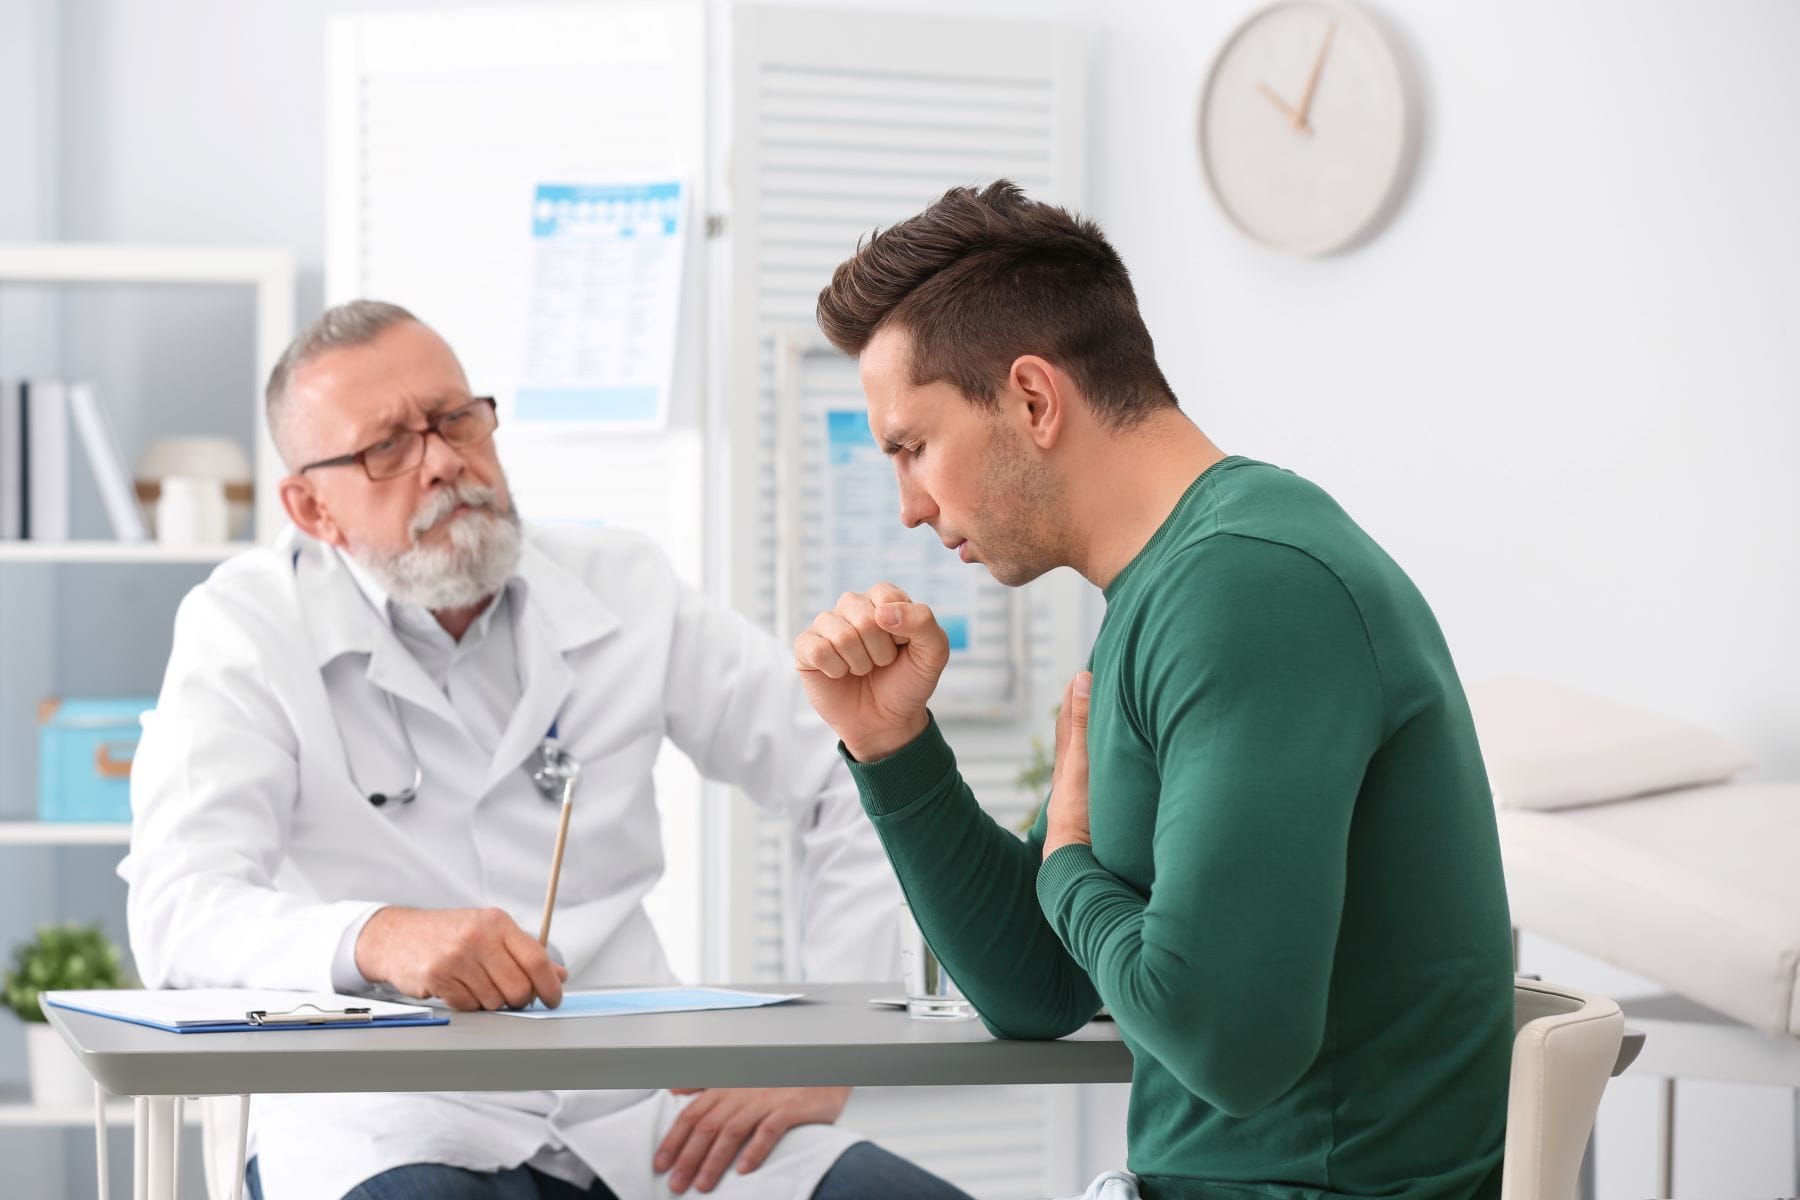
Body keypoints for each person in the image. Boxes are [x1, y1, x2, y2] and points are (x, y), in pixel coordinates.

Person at [122, 300, 972, 1200]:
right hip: (392, 1118)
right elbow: (179, 908)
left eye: (456, 419)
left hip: (644, 1112)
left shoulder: (623, 584)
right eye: (387, 448)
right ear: (310, 507)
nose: (444, 461)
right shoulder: (247, 629)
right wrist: (373, 937)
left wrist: (825, 1046)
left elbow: (847, 770)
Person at [792, 181, 1514, 1200]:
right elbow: (1037, 986)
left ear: (1034, 400)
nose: (910, 506)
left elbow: (1230, 1047)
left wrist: (1070, 868)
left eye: (911, 447)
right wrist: (891, 746)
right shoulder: (1170, 591)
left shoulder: (1249, 590)